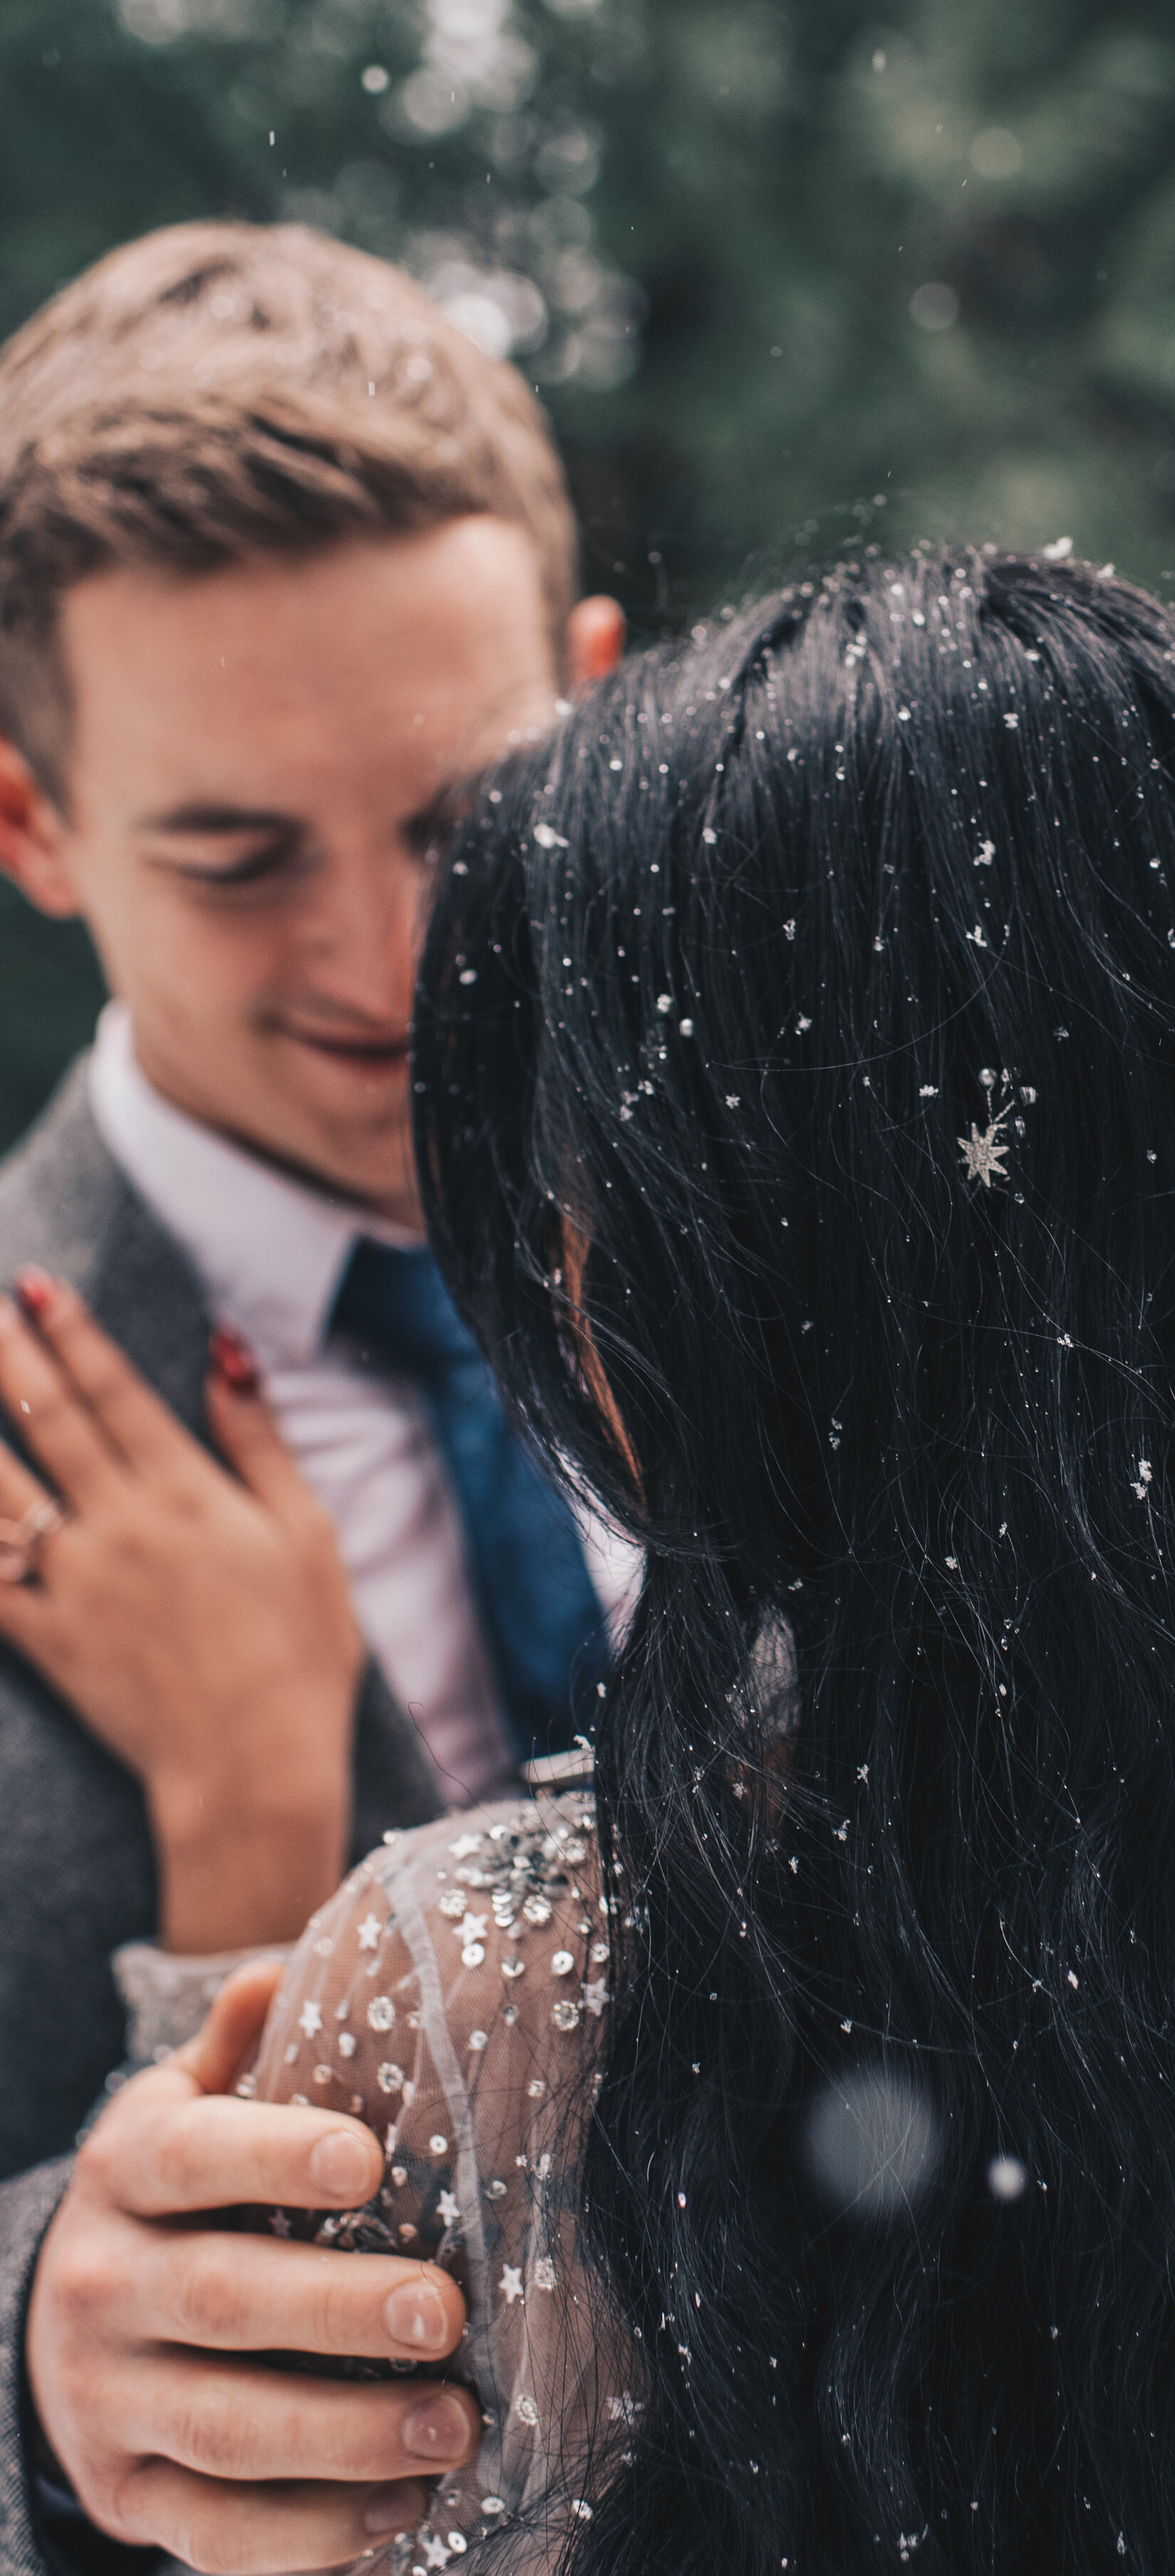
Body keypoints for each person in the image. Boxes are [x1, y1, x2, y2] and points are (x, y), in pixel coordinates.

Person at [36, 547, 1175, 2572]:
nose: (365, 950)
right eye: (235, 854)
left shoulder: (476, 1989)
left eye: (583, 1157)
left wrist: (253, 1938)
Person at [0, 220, 636, 2567]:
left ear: (589, 692)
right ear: (32, 822)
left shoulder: (841, 1257)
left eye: (463, 818)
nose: (393, 967)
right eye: (237, 858)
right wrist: (38, 2348)